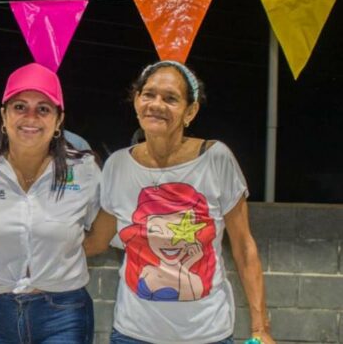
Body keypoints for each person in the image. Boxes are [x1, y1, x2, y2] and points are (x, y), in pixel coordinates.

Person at [96, 60, 275, 344]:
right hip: (133, 334)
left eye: (170, 98)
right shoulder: (118, 164)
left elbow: (243, 247)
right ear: (136, 101)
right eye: (149, 94)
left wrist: (260, 329)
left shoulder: (216, 158)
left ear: (190, 112)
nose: (156, 104)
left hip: (207, 334)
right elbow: (98, 239)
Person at [0, 63, 105, 343]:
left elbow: (104, 231)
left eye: (43, 108)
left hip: (64, 313)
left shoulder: (84, 169)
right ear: (4, 115)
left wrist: (60, 259)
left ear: (58, 120)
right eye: (20, 107)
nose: (31, 117)